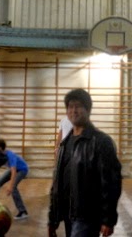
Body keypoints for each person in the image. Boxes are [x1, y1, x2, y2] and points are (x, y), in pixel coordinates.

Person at [48, 88, 122, 237]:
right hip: (68, 214)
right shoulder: (64, 143)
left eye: (78, 106)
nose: (73, 111)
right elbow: (57, 183)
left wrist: (108, 219)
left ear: (88, 110)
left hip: (87, 216)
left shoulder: (101, 142)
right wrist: (53, 218)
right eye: (70, 107)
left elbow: (111, 182)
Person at [0, 139, 30, 221]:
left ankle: (23, 212)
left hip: (22, 170)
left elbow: (14, 171)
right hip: (13, 170)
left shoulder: (10, 155)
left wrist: (10, 186)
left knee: (13, 187)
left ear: (0, 148)